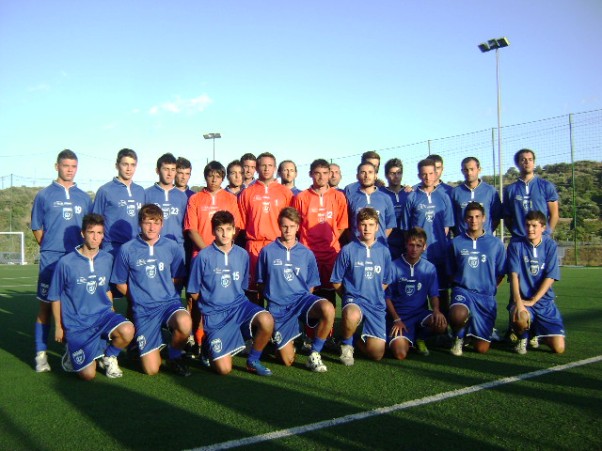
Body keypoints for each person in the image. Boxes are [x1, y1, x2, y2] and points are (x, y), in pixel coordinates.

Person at [187, 211, 275, 376]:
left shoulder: (242, 254)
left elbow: (242, 287)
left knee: (267, 320)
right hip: (215, 315)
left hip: (238, 306)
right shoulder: (203, 256)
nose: (224, 234)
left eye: (228, 229)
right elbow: (193, 291)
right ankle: (207, 345)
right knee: (224, 369)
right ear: (213, 231)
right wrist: (209, 306)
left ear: (234, 230)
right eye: (220, 229)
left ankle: (253, 360)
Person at [48, 214, 134, 380]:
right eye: (91, 232)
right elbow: (55, 297)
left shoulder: (107, 259)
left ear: (103, 235)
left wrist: (111, 309)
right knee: (88, 375)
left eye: (99, 233)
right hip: (78, 323)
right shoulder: (66, 263)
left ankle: (109, 356)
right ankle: (71, 351)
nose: (95, 237)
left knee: (127, 329)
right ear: (83, 234)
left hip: (102, 316)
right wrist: (58, 326)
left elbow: (107, 289)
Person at [111, 204, 192, 376]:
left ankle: (174, 356)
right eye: (147, 222)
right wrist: (137, 297)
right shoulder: (127, 249)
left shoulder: (172, 246)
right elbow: (119, 283)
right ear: (140, 223)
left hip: (168, 304)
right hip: (144, 310)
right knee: (151, 370)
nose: (151, 227)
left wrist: (163, 291)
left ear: (162, 224)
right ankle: (148, 341)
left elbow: (178, 276)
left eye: (156, 223)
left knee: (185, 321)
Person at [31, 149, 92, 372]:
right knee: (46, 306)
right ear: (57, 166)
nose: (70, 170)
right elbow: (37, 227)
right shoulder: (44, 195)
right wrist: (50, 246)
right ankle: (40, 354)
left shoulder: (84, 197)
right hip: (51, 259)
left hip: (76, 260)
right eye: (66, 165)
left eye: (73, 166)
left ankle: (69, 350)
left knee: (72, 307)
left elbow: (89, 228)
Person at [257, 207, 335, 372]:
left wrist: (301, 304)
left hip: (301, 301)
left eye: (292, 226)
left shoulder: (306, 253)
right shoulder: (267, 252)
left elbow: (311, 284)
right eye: (285, 226)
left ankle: (314, 353)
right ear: (279, 226)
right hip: (278, 308)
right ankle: (285, 339)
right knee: (287, 360)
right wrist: (275, 299)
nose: (288, 230)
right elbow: (261, 283)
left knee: (328, 308)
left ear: (298, 227)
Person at [184, 161, 242, 353]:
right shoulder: (195, 199)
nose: (214, 179)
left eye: (218, 176)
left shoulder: (230, 198)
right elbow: (191, 229)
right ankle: (196, 338)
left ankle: (219, 336)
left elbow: (236, 227)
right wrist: (208, 252)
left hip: (224, 256)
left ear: (222, 178)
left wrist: (222, 249)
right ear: (206, 177)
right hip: (201, 255)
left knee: (221, 296)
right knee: (196, 299)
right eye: (211, 176)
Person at [331, 207, 393, 365]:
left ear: (377, 227)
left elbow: (386, 280)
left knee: (376, 354)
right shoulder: (348, 250)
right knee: (351, 314)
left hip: (375, 304)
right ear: (357, 226)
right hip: (354, 301)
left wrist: (373, 293)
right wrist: (348, 296)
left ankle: (355, 338)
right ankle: (347, 345)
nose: (367, 228)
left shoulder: (384, 251)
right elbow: (336, 281)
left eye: (371, 224)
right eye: (363, 224)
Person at [447, 202, 506, 356]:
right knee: (457, 314)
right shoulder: (456, 243)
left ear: (484, 218)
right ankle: (458, 336)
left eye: (477, 217)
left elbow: (501, 272)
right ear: (465, 219)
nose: (474, 220)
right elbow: (451, 271)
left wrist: (490, 287)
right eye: (470, 217)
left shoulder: (496, 244)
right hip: (463, 291)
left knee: (481, 349)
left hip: (485, 297)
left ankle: (469, 331)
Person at [292, 159, 348, 318]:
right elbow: (296, 225)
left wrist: (331, 240)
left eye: (325, 173)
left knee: (329, 293)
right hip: (308, 254)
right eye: (317, 173)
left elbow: (342, 224)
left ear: (329, 174)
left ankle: (328, 331)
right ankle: (309, 330)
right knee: (309, 294)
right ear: (310, 174)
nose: (321, 177)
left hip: (330, 253)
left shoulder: (338, 197)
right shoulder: (301, 197)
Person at [238, 152, 293, 304]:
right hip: (254, 246)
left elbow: (291, 222)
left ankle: (278, 320)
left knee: (278, 290)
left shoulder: (285, 193)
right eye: (263, 165)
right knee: (253, 292)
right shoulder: (247, 193)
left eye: (270, 165)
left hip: (277, 246)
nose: (266, 169)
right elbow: (240, 223)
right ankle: (255, 319)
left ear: (275, 168)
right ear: (257, 168)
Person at [507, 210, 565, 355]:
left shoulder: (550, 245)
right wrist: (518, 302)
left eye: (534, 226)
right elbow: (514, 276)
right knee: (521, 317)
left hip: (545, 303)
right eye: (527, 225)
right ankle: (523, 338)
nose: (530, 229)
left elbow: (550, 277)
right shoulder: (516, 245)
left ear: (543, 228)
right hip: (523, 300)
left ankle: (536, 331)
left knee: (559, 348)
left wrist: (534, 300)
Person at [385, 227, 447, 359]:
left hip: (419, 314)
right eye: (411, 245)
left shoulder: (429, 268)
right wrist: (396, 319)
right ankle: (401, 340)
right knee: (400, 354)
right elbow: (386, 297)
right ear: (405, 245)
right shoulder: (393, 266)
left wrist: (436, 310)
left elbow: (433, 294)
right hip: (399, 316)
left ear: (424, 247)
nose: (414, 249)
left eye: (418, 246)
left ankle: (420, 338)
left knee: (441, 324)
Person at [402, 159, 454, 315]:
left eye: (431, 173)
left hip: (439, 254)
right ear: (419, 175)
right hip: (419, 256)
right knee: (418, 294)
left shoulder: (444, 196)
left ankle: (443, 325)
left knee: (442, 294)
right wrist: (414, 249)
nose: (428, 177)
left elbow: (446, 227)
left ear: (436, 173)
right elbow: (406, 229)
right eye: (424, 174)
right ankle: (420, 325)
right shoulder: (412, 197)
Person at [92, 148, 145, 257]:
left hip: (136, 248)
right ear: (117, 165)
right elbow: (95, 222)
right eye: (125, 164)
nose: (129, 169)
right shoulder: (105, 190)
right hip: (112, 248)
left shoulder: (140, 191)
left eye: (133, 165)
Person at [503, 148, 559, 239]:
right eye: (523, 159)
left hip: (541, 239)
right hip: (519, 240)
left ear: (534, 163)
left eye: (530, 159)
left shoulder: (546, 186)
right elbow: (507, 217)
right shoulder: (510, 190)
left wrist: (546, 234)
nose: (527, 162)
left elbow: (554, 214)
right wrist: (516, 234)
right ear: (517, 163)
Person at [345, 161, 396, 247]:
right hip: (357, 248)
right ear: (357, 176)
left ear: (375, 175)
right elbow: (346, 226)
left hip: (379, 248)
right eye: (363, 172)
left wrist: (378, 240)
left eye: (370, 172)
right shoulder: (350, 198)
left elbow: (390, 225)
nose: (366, 176)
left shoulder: (385, 198)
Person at [145, 153, 188, 249]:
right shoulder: (147, 194)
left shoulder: (182, 196)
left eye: (173, 170)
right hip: (154, 247)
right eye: (166, 169)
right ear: (157, 170)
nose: (169, 174)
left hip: (177, 247)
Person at [451, 157, 502, 236]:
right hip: (463, 240)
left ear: (479, 169)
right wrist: (460, 235)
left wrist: (486, 233)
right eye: (466, 170)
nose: (469, 173)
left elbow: (496, 217)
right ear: (462, 171)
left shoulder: (490, 191)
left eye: (472, 169)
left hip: (485, 239)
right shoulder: (455, 192)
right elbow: (451, 218)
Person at [381, 158, 409, 260]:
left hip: (406, 243)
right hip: (387, 243)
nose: (396, 176)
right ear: (386, 175)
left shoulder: (409, 194)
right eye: (392, 173)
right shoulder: (380, 194)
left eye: (399, 173)